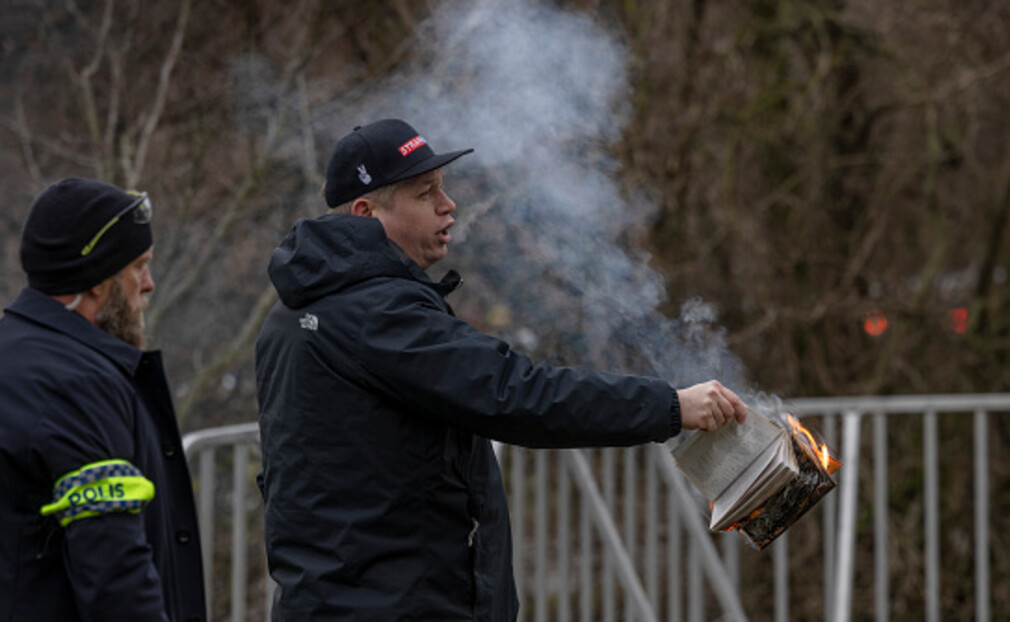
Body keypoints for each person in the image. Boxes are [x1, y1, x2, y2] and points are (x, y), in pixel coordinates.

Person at [254, 118, 747, 621]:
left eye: (443, 190)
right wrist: (670, 406)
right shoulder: (376, 313)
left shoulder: (292, 313)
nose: (449, 206)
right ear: (365, 212)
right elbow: (516, 394)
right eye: (425, 194)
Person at [0, 179, 206, 622]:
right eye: (138, 266)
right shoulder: (76, 384)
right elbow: (115, 574)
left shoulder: (14, 354)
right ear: (98, 282)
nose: (148, 285)